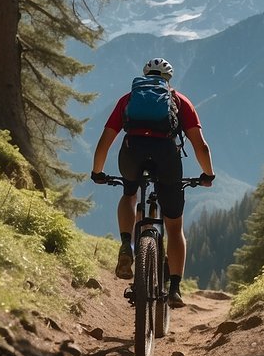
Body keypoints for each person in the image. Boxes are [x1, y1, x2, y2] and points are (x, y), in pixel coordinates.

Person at [90, 57, 214, 308]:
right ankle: (175, 289)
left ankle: (127, 244)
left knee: (129, 194)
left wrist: (98, 171)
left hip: (132, 152)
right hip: (166, 158)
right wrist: (207, 175)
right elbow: (200, 146)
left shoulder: (128, 99)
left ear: (144, 76)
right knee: (174, 226)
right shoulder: (180, 101)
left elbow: (105, 140)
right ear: (168, 79)